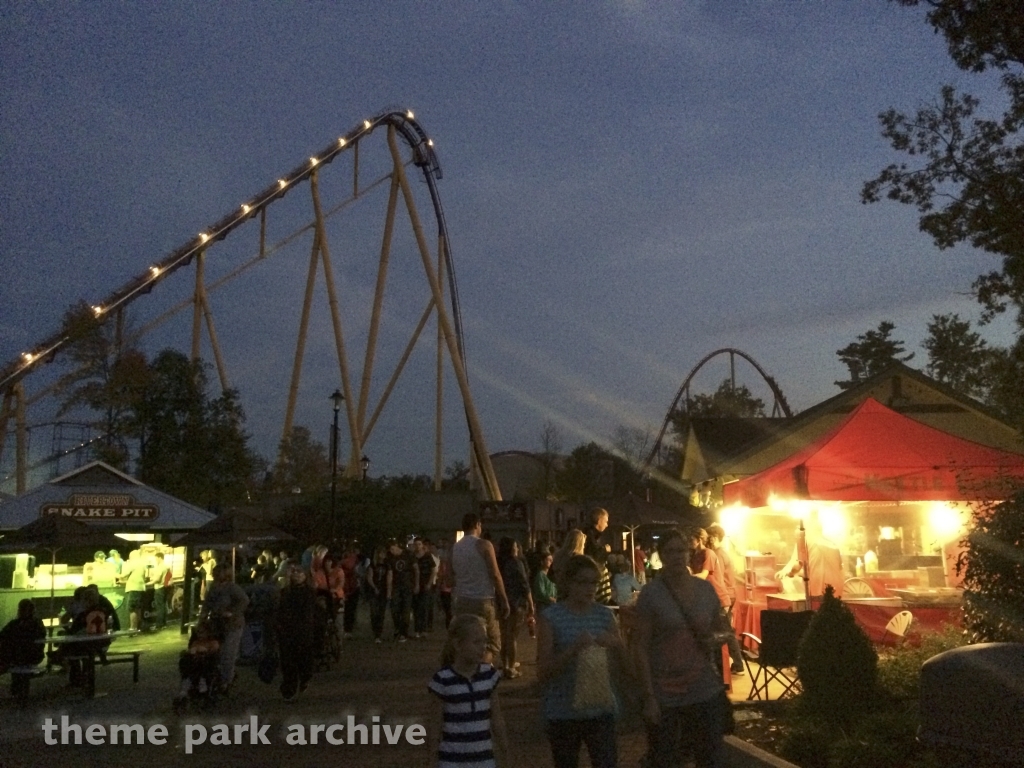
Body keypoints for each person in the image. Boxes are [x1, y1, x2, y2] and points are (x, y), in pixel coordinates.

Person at [634, 528, 728, 768]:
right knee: (665, 757)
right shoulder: (651, 595)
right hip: (665, 693)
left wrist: (714, 638)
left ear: (689, 553)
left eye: (681, 551)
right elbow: (641, 647)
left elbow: (725, 630)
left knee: (709, 756)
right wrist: (648, 697)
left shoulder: (705, 591)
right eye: (670, 551)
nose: (677, 556)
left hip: (703, 688)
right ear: (661, 556)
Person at [537, 554, 623, 768]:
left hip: (600, 707)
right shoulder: (551, 617)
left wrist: (617, 644)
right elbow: (543, 671)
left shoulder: (605, 616)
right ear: (568, 583)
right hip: (563, 710)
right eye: (582, 582)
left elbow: (624, 664)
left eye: (593, 582)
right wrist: (573, 649)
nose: (589, 588)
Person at [427, 614, 509, 768]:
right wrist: (432, 758)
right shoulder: (442, 680)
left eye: (484, 641)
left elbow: (496, 718)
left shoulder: (489, 676)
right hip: (452, 760)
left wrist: (504, 749)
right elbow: (435, 724)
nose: (483, 647)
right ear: (458, 645)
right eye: (476, 642)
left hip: (483, 758)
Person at [450, 513, 510, 665]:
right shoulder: (484, 545)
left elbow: (452, 574)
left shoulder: (456, 547)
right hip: (483, 600)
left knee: (466, 638)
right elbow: (495, 574)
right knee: (493, 643)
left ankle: (466, 667)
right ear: (477, 524)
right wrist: (504, 599)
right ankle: (480, 670)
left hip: (462, 599)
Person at [691, 528, 743, 676]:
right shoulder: (696, 555)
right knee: (716, 633)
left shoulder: (710, 553)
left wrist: (686, 578)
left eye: (691, 539)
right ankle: (720, 667)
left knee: (725, 633)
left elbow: (704, 575)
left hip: (719, 597)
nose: (689, 543)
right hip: (708, 598)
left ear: (700, 539)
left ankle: (737, 665)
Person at [201, 563, 249, 691]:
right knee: (217, 651)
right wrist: (203, 617)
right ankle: (219, 676)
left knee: (229, 652)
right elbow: (207, 603)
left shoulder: (232, 588)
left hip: (232, 624)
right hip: (217, 623)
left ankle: (226, 679)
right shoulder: (213, 588)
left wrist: (232, 612)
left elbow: (244, 600)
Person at [775, 514, 845, 599]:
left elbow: (798, 565)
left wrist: (790, 574)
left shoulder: (805, 541)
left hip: (817, 587)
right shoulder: (832, 544)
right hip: (836, 588)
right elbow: (839, 567)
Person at [275, 563, 317, 700]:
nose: (297, 575)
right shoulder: (285, 591)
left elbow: (309, 611)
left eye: (300, 573)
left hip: (303, 630)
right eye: (294, 573)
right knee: (288, 660)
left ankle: (304, 678)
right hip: (287, 631)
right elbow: (280, 609)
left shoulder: (309, 592)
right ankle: (289, 688)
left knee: (303, 659)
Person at [496, 537, 535, 678]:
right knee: (512, 636)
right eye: (515, 547)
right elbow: (524, 584)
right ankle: (511, 666)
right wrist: (530, 602)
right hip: (516, 602)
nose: (517, 550)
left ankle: (505, 663)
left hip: (501, 602)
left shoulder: (499, 562)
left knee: (504, 634)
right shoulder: (516, 563)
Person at [0, 599, 46, 699]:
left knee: (13, 653)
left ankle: (17, 689)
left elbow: (4, 635)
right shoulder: (35, 623)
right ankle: (18, 689)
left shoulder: (27, 624)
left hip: (27, 655)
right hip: (27, 654)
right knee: (13, 653)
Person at [174, 619, 221, 704]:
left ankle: (203, 685)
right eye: (198, 632)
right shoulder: (196, 642)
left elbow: (214, 653)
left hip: (206, 665)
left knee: (204, 664)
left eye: (202, 632)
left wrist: (204, 652)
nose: (200, 635)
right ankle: (184, 689)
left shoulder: (213, 642)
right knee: (185, 662)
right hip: (194, 664)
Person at [388, 540, 418, 642]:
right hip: (396, 586)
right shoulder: (391, 558)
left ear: (397, 546)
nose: (392, 551)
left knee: (406, 609)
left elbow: (416, 569)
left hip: (407, 586)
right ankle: (398, 628)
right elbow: (390, 573)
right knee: (395, 609)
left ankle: (403, 632)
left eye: (393, 549)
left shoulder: (408, 555)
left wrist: (416, 584)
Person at [365, 546, 391, 643]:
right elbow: (369, 578)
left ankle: (378, 634)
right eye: (380, 553)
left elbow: (389, 578)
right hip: (374, 590)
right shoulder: (373, 565)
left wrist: (388, 591)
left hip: (383, 590)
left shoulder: (387, 565)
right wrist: (374, 587)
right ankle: (375, 632)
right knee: (374, 612)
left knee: (381, 613)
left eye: (383, 553)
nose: (382, 555)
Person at [119, 550, 149, 631]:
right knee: (138, 608)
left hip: (134, 588)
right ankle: (139, 627)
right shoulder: (143, 563)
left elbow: (123, 574)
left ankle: (133, 628)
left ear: (132, 556)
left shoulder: (133, 562)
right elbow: (145, 576)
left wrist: (113, 574)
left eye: (130, 557)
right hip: (141, 588)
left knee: (132, 608)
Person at [412, 537, 436, 639]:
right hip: (415, 585)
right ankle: (417, 629)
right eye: (416, 544)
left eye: (419, 544)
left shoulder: (427, 556)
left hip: (425, 584)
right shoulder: (412, 557)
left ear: (422, 545)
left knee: (425, 607)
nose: (418, 546)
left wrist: (429, 583)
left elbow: (433, 570)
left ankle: (424, 630)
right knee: (416, 608)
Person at [147, 552, 171, 630]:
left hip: (159, 588)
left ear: (160, 558)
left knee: (159, 607)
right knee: (163, 606)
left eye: (156, 558)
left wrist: (148, 583)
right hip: (164, 587)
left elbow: (157, 579)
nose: (155, 560)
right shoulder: (166, 566)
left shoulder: (160, 567)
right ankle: (164, 623)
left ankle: (159, 625)